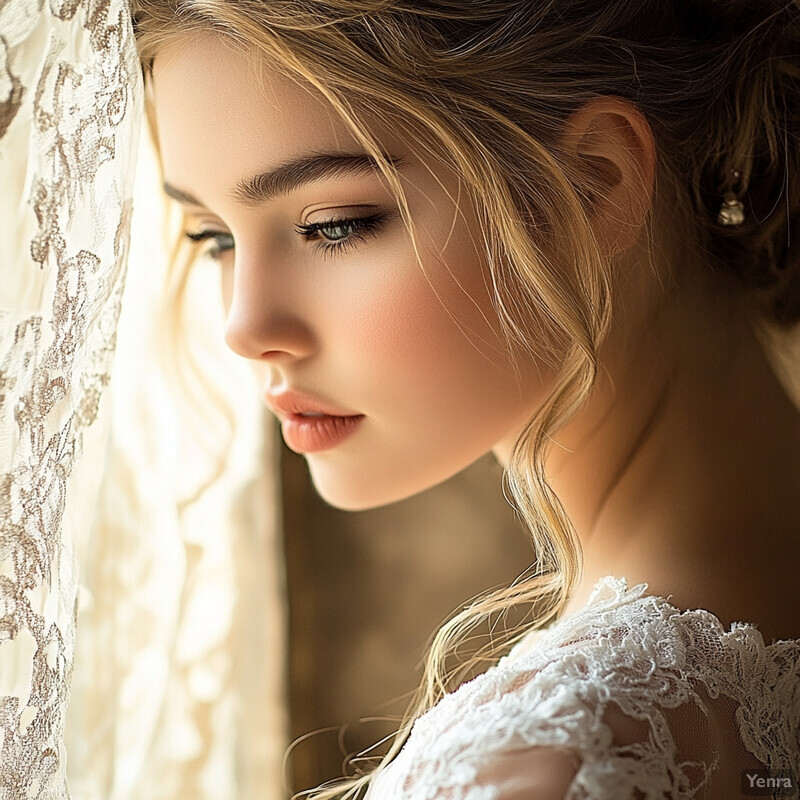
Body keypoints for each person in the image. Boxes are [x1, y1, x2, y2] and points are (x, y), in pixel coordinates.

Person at [133, 1, 800, 797]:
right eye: (215, 238)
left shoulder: (541, 768)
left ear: (594, 183)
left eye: (335, 225)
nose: (246, 327)